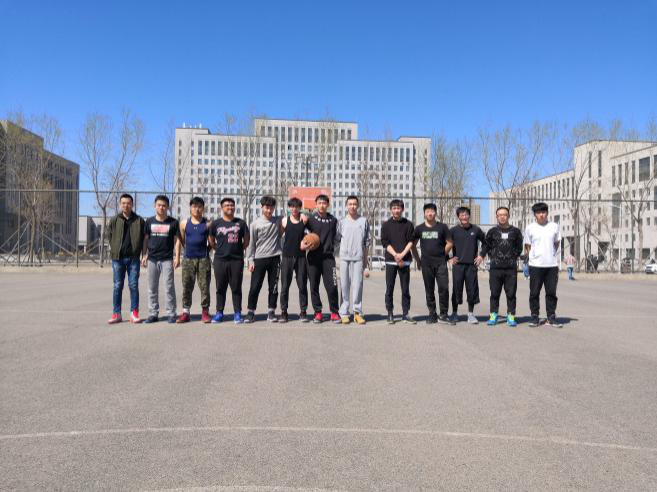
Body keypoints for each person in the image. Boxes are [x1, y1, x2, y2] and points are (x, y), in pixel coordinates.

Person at [209, 197, 249, 324]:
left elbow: (246, 241)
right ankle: (219, 313)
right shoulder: (216, 224)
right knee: (220, 288)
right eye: (227, 205)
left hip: (236, 260)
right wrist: (219, 249)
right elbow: (211, 240)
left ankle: (237, 313)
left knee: (236, 287)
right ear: (222, 208)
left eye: (232, 205)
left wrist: (238, 250)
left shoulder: (241, 223)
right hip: (220, 260)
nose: (230, 207)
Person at [141, 195, 181, 324]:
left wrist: (177, 257)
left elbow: (177, 241)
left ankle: (171, 313)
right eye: (159, 205)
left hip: (167, 259)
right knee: (152, 287)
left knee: (169, 287)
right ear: (155, 206)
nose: (161, 207)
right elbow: (145, 239)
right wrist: (144, 255)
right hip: (152, 259)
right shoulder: (149, 221)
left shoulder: (173, 222)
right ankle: (153, 313)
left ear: (167, 207)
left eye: (164, 205)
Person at [481, 206, 523, 327]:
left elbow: (519, 247)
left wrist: (512, 257)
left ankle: (511, 316)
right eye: (500, 215)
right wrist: (486, 255)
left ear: (508, 216)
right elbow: (486, 246)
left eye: (504, 214)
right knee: (494, 293)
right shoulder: (492, 231)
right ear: (497, 217)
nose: (502, 217)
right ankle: (493, 315)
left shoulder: (516, 231)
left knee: (511, 294)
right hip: (495, 268)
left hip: (510, 269)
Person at [107, 193, 146, 324]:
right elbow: (109, 235)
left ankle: (134, 313)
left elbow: (144, 239)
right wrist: (114, 248)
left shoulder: (139, 220)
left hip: (133, 259)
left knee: (133, 285)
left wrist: (143, 254)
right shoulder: (114, 220)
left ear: (132, 204)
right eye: (123, 203)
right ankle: (116, 313)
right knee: (117, 286)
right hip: (117, 259)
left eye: (128, 203)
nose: (126, 205)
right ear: (120, 204)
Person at [413, 203, 453, 325]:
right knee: (429, 290)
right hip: (426, 264)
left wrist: (442, 254)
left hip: (441, 263)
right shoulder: (419, 228)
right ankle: (432, 314)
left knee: (444, 288)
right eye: (427, 211)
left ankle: (444, 314)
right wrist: (418, 260)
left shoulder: (442, 227)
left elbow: (450, 243)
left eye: (432, 211)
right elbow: (413, 245)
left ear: (435, 213)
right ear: (424, 213)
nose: (430, 213)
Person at [524, 202, 562, 327]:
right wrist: (531, 258)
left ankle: (551, 317)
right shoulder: (530, 228)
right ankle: (534, 316)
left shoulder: (554, 226)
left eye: (543, 212)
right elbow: (528, 245)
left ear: (547, 213)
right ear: (535, 214)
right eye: (538, 212)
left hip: (551, 265)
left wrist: (551, 254)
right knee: (534, 292)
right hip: (535, 265)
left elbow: (556, 243)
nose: (541, 215)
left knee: (551, 292)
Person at [245, 196, 282, 323]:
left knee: (274, 287)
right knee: (255, 286)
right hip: (259, 259)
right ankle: (250, 312)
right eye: (267, 207)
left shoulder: (278, 220)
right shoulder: (255, 224)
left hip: (275, 258)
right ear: (262, 207)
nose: (269, 210)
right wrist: (250, 260)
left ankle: (271, 311)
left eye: (271, 207)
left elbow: (292, 218)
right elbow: (251, 244)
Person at [304, 194, 340, 324]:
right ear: (315, 204)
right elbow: (302, 233)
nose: (322, 205)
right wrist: (304, 243)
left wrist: (333, 247)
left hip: (328, 257)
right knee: (314, 285)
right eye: (319, 203)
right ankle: (317, 312)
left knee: (332, 286)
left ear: (328, 205)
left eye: (324, 203)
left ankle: (334, 312)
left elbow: (337, 237)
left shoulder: (333, 220)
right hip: (313, 257)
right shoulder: (310, 219)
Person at [381, 199, 418, 325]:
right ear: (391, 209)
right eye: (394, 208)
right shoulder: (386, 225)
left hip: (405, 261)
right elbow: (385, 243)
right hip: (391, 261)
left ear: (402, 209)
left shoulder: (408, 224)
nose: (396, 210)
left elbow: (411, 241)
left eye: (398, 208)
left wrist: (402, 255)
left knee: (405, 289)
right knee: (389, 288)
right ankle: (390, 313)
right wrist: (395, 255)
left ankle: (405, 314)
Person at [336, 195, 371, 325]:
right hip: (344, 258)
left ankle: (357, 312)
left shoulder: (363, 221)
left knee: (358, 286)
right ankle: (344, 313)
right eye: (350, 204)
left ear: (358, 205)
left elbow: (367, 242)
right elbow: (336, 241)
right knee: (344, 286)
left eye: (355, 204)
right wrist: (336, 259)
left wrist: (366, 263)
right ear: (346, 206)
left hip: (358, 259)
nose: (352, 206)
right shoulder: (341, 222)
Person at [448, 206, 485, 324]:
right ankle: (454, 313)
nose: (464, 217)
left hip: (471, 266)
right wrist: (449, 258)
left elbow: (486, 243)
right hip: (458, 265)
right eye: (461, 215)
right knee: (456, 289)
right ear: (458, 216)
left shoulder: (476, 230)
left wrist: (481, 256)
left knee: (472, 290)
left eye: (466, 214)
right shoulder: (453, 231)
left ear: (469, 215)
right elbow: (444, 245)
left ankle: (470, 314)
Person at [177, 197, 211, 323]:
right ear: (190, 208)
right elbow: (180, 241)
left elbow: (211, 241)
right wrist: (177, 257)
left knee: (205, 286)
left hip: (203, 259)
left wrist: (207, 251)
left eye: (199, 207)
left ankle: (205, 312)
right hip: (188, 259)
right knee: (187, 285)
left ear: (203, 208)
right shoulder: (184, 223)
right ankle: (186, 312)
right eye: (194, 206)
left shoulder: (208, 223)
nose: (197, 209)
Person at [279, 197, 309, 323]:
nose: (294, 209)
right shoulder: (284, 221)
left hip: (301, 257)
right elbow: (279, 235)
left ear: (300, 208)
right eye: (292, 206)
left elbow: (310, 235)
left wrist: (306, 241)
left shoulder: (304, 220)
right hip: (287, 256)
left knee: (302, 285)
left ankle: (303, 311)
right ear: (289, 208)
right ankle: (284, 312)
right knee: (285, 286)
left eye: (296, 206)